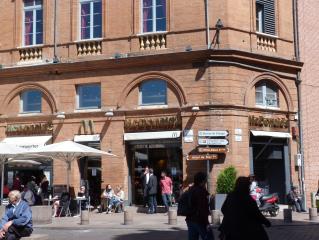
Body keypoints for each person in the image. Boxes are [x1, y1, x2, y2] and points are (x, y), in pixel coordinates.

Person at [185, 172, 213, 240]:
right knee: (209, 238)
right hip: (199, 220)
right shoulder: (201, 192)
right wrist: (206, 223)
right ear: (202, 180)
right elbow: (202, 208)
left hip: (190, 219)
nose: (207, 181)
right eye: (206, 179)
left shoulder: (191, 189)